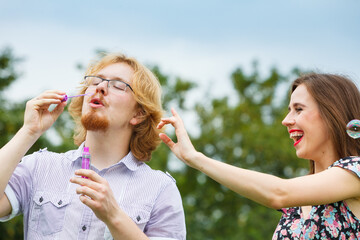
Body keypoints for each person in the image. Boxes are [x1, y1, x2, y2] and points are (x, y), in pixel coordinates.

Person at [0, 53, 186, 240]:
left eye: (118, 85)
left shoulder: (160, 189)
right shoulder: (40, 166)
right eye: (96, 81)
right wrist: (29, 131)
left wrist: (114, 217)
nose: (101, 87)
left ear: (138, 114)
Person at [157, 73, 360, 239]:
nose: (286, 120)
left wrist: (195, 158)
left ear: (331, 114)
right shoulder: (297, 204)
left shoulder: (355, 172)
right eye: (289, 110)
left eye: (298, 109)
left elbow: (278, 193)